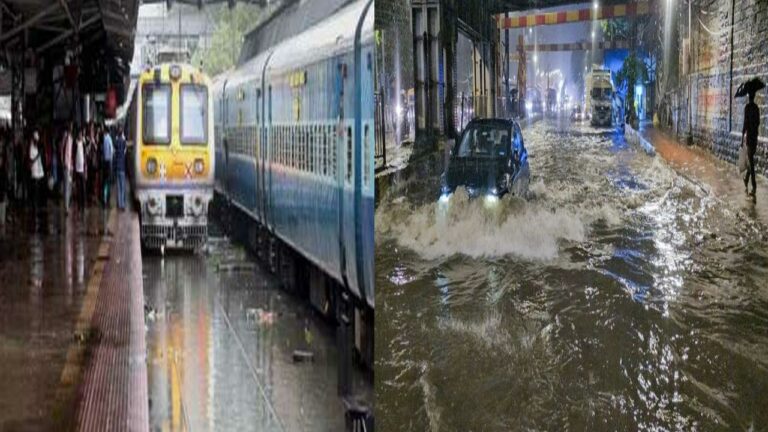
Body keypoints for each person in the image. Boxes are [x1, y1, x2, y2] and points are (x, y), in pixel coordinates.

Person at [742, 91, 760, 199]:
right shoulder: (756, 108)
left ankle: (753, 186)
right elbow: (758, 122)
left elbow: (745, 123)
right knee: (751, 160)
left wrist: (742, 137)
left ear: (749, 97)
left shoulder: (747, 108)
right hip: (754, 137)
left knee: (751, 162)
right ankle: (747, 179)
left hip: (749, 138)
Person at [29, 130, 45, 219]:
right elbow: (31, 159)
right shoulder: (31, 147)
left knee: (37, 189)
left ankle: (36, 206)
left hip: (38, 171)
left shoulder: (36, 147)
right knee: (34, 190)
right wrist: (38, 155)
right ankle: (33, 206)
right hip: (34, 171)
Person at [114, 127, 128, 211]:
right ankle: (122, 205)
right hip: (122, 167)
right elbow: (125, 150)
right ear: (122, 133)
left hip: (117, 167)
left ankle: (119, 204)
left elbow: (115, 149)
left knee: (119, 187)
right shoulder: (123, 142)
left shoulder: (116, 142)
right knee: (123, 187)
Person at [61, 124, 73, 213]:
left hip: (70, 164)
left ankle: (67, 204)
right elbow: (62, 148)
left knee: (69, 185)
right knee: (66, 185)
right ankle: (66, 207)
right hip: (66, 163)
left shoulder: (70, 137)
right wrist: (63, 161)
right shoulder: (66, 136)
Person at [74, 128, 86, 211]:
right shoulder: (76, 144)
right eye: (79, 134)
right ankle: (79, 204)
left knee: (83, 187)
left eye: (81, 135)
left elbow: (85, 155)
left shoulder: (83, 144)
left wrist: (85, 167)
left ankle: (83, 204)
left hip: (82, 168)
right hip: (77, 168)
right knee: (78, 187)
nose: (80, 136)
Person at [102, 126, 114, 208]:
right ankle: (107, 200)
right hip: (109, 162)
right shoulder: (109, 139)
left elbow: (104, 151)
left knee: (105, 182)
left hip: (104, 162)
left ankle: (104, 199)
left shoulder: (104, 139)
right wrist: (111, 162)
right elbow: (112, 151)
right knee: (108, 182)